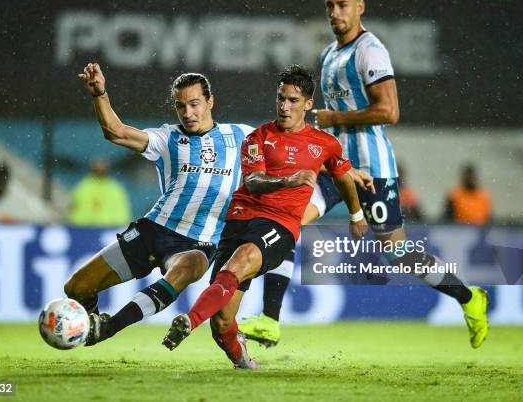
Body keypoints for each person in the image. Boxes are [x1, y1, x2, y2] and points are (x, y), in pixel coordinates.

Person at [242, 0, 489, 350]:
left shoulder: (371, 51)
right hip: (334, 165)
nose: (335, 13)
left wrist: (334, 120)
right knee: (287, 220)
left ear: (360, 7)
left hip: (372, 169)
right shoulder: (328, 55)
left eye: (343, 5)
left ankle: (469, 298)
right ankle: (270, 321)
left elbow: (389, 111)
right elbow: (329, 115)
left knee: (398, 252)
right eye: (330, 6)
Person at [161, 65, 369, 369]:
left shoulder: (325, 144)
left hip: (279, 223)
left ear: (308, 104)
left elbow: (343, 177)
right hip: (240, 219)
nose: (284, 107)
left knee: (239, 262)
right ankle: (243, 361)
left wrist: (356, 213)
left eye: (293, 101)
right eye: (280, 98)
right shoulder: (258, 137)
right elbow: (254, 182)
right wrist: (289, 180)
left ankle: (188, 321)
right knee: (221, 323)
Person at [64, 63, 253, 346]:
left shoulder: (241, 136)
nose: (188, 113)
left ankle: (111, 327)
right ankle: (92, 323)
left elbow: (286, 144)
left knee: (186, 270)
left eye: (194, 104)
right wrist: (99, 94)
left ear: (210, 101)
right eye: (180, 106)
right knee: (76, 287)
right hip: (154, 230)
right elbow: (116, 132)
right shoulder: (168, 138)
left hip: (199, 242)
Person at [68, 157, 131, 227]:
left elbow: (123, 214)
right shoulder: (82, 187)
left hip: (109, 229)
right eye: (97, 166)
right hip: (85, 228)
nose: (100, 168)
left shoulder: (116, 188)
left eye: (102, 166)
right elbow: (74, 212)